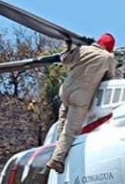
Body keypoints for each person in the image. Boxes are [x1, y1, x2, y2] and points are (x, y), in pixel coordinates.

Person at [46, 33, 116, 173]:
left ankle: (58, 149)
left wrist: (68, 46)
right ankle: (57, 160)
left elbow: (65, 59)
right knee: (71, 129)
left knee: (62, 121)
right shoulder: (108, 58)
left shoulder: (83, 49)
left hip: (66, 91)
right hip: (80, 97)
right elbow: (110, 78)